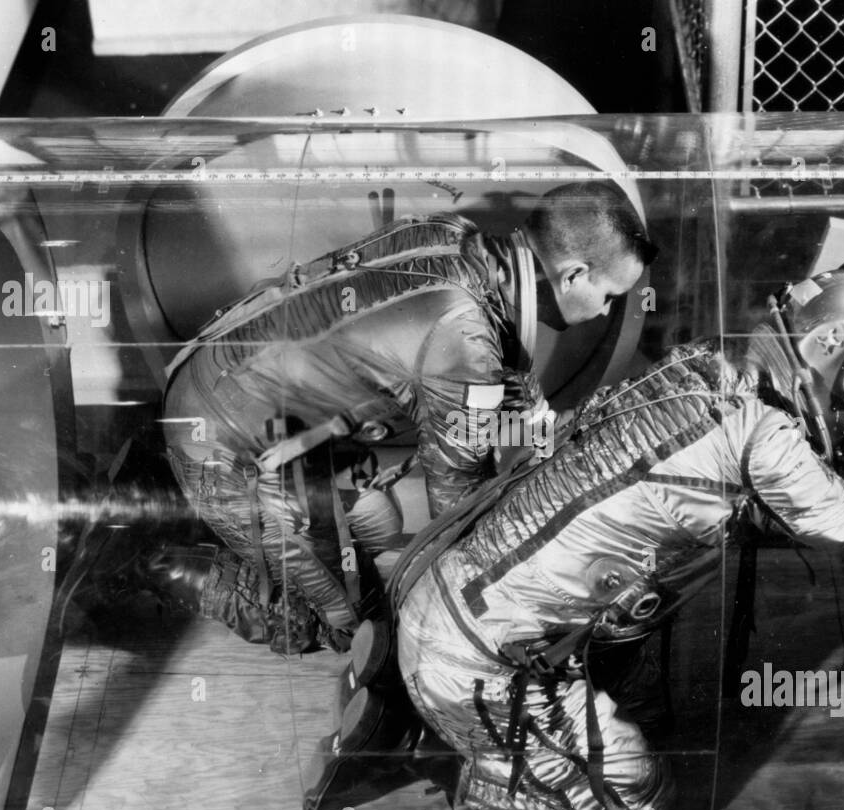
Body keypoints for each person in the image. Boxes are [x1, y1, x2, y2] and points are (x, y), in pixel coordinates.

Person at [388, 259, 844, 810]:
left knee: (644, 654)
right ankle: (501, 775)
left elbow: (776, 507)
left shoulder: (718, 360)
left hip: (465, 602)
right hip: (479, 664)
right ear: (829, 344)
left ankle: (513, 749)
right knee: (636, 802)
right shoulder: (767, 430)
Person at [147, 181, 657, 655]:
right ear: (572, 275)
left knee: (371, 558)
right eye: (609, 296)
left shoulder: (449, 234)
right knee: (342, 628)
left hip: (237, 391)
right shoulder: (464, 341)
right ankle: (145, 560)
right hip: (223, 442)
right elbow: (457, 505)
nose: (607, 311)